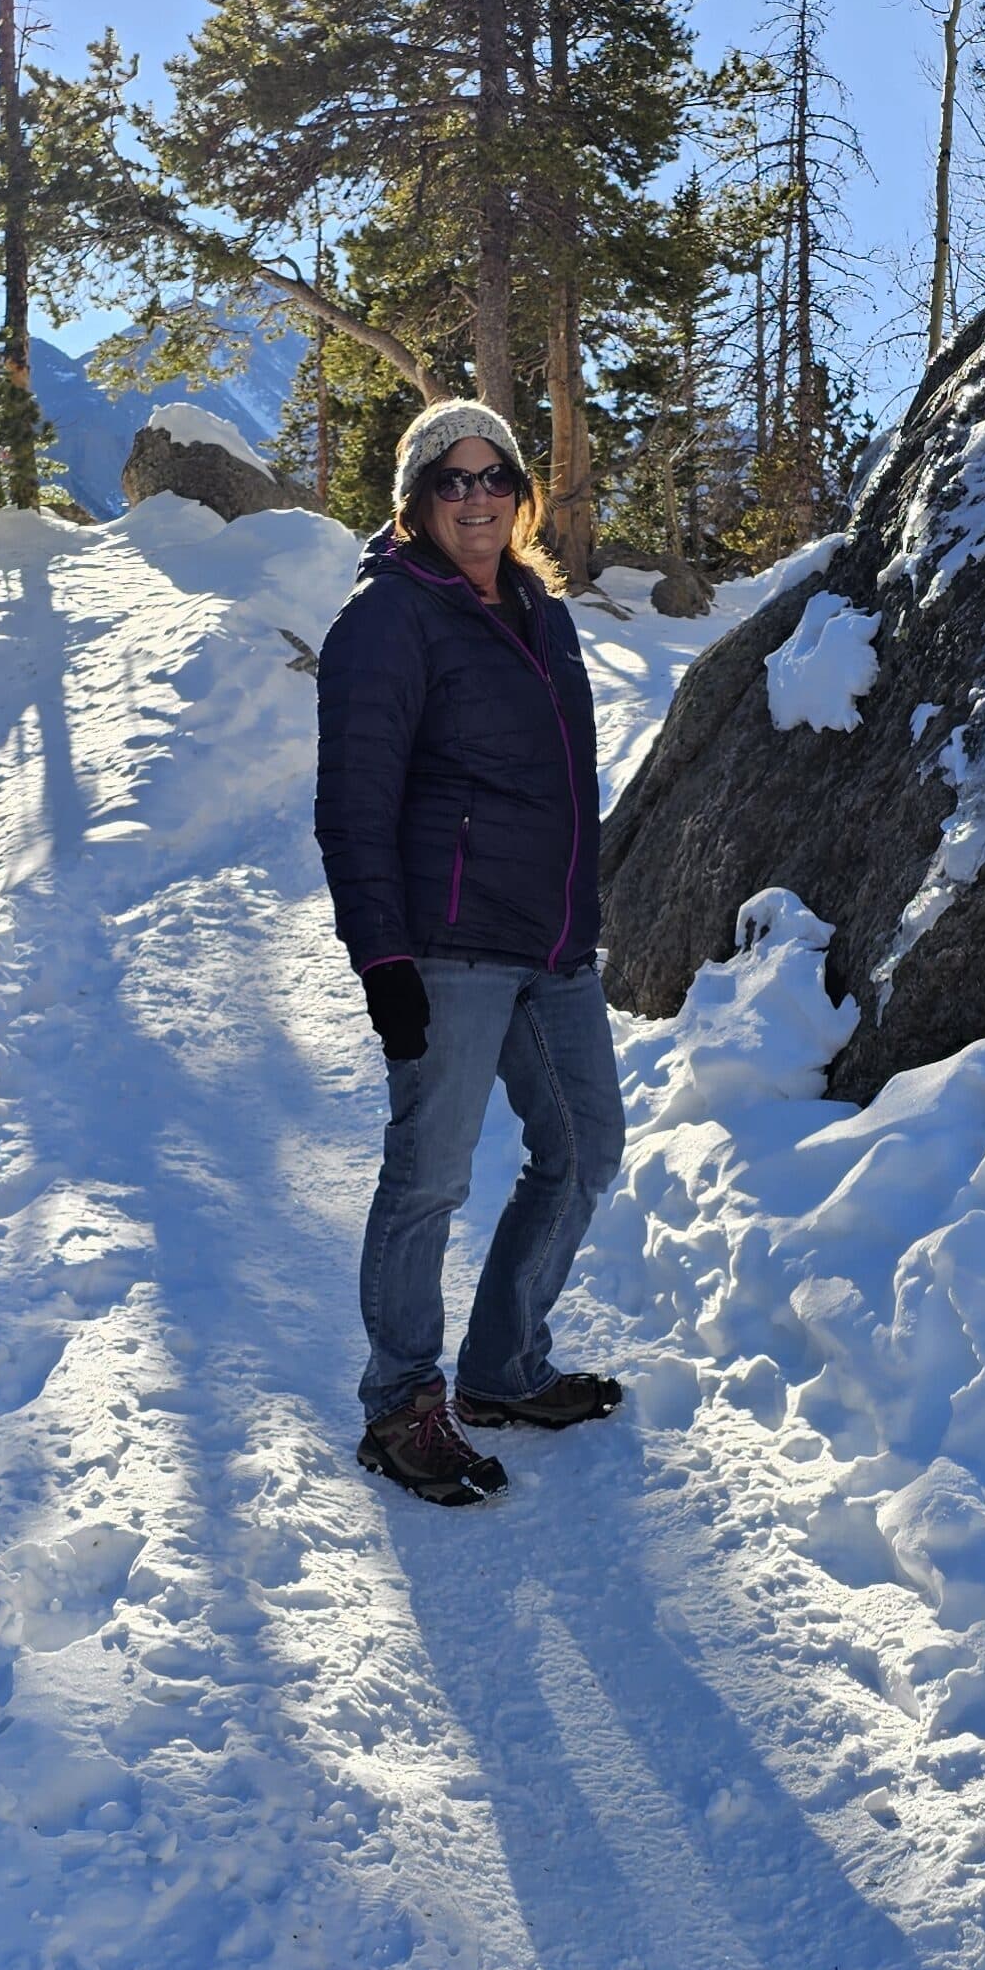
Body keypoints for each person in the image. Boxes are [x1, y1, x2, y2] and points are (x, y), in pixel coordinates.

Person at [314, 399, 627, 1507]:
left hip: (547, 944)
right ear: (414, 501)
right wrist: (381, 960)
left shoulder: (539, 609)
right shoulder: (387, 618)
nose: (477, 495)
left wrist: (579, 916)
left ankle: (501, 1368)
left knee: (586, 1150)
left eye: (495, 474)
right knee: (429, 1178)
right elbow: (353, 804)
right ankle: (401, 1403)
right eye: (450, 480)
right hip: (446, 946)